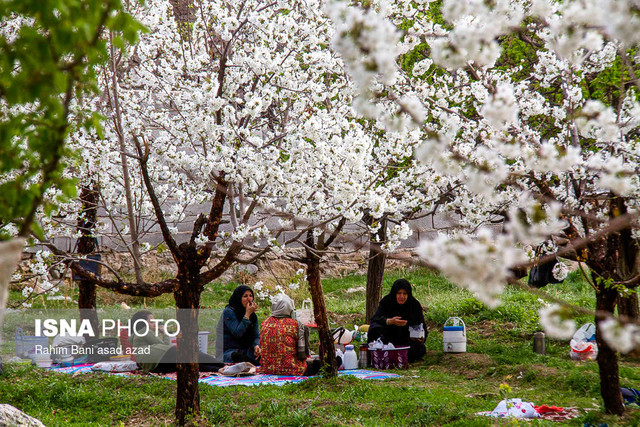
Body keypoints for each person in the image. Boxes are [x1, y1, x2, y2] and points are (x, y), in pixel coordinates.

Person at [130, 310, 223, 373]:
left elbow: (164, 346)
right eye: (151, 322)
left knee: (186, 366)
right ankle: (221, 365)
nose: (155, 324)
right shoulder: (143, 331)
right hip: (159, 358)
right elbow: (163, 346)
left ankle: (218, 369)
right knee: (191, 354)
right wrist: (165, 333)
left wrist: (164, 333)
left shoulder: (137, 335)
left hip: (155, 366)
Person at [368, 278, 427, 362]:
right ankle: (379, 353)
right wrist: (389, 321)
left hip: (406, 339)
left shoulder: (414, 305)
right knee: (374, 328)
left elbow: (421, 324)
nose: (401, 297)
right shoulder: (386, 302)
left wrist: (421, 337)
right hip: (387, 338)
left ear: (408, 294)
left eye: (404, 294)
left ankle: (396, 355)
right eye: (399, 293)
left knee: (419, 349)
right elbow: (375, 318)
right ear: (394, 293)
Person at [260, 294, 321, 376]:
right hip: (293, 369)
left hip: (268, 369)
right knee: (320, 365)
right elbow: (303, 355)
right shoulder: (296, 325)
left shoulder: (265, 323)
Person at [219, 285, 261, 364]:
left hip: (247, 350)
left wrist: (256, 345)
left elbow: (256, 335)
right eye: (245, 296)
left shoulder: (252, 315)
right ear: (239, 298)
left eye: (251, 296)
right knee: (238, 357)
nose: (249, 299)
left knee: (265, 353)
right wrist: (247, 315)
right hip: (231, 350)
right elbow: (238, 333)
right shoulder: (229, 312)